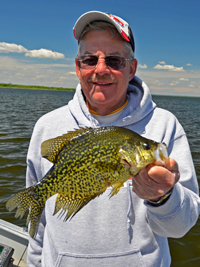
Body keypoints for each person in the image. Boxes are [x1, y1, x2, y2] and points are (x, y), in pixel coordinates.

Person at [26, 11, 200, 267]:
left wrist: (163, 198)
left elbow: (181, 227)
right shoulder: (47, 126)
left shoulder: (164, 125)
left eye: (114, 60)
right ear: (78, 67)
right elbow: (38, 228)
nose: (100, 69)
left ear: (131, 68)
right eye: (89, 59)